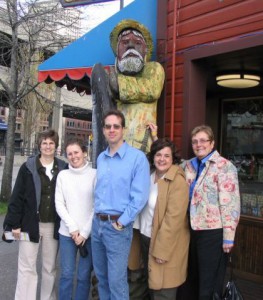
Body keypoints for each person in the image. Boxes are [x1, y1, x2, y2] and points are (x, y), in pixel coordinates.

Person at [91, 109, 150, 300]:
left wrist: (121, 222)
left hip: (117, 227)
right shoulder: (101, 157)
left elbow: (140, 197)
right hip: (97, 224)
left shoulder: (136, 158)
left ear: (123, 129)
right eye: (108, 126)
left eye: (116, 126)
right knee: (102, 278)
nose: (112, 130)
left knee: (116, 281)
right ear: (103, 130)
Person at [3, 129, 67, 300]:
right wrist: (13, 225)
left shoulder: (63, 167)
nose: (47, 146)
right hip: (29, 225)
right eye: (44, 143)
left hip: (53, 225)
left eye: (51, 143)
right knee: (26, 267)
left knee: (50, 268)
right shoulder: (28, 167)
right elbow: (16, 198)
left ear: (56, 146)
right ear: (39, 145)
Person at [181, 125, 240, 300]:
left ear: (212, 143)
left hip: (212, 232)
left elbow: (231, 204)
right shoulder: (190, 165)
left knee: (209, 281)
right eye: (194, 141)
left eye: (203, 140)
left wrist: (229, 236)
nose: (199, 144)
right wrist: (154, 139)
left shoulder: (224, 167)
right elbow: (168, 160)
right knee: (193, 277)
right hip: (191, 229)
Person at [132, 138, 190, 299]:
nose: (162, 159)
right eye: (158, 155)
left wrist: (162, 251)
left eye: (166, 156)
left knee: (163, 289)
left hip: (164, 243)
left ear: (173, 159)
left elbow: (173, 221)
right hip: (144, 237)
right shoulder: (149, 176)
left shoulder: (177, 182)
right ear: (153, 157)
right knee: (148, 285)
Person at [55, 138, 96, 300]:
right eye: (69, 154)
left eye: (76, 152)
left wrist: (84, 233)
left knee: (84, 275)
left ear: (84, 153)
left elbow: (97, 206)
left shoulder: (95, 174)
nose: (73, 156)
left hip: (89, 235)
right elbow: (59, 204)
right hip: (67, 234)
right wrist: (72, 228)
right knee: (66, 274)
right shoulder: (63, 176)